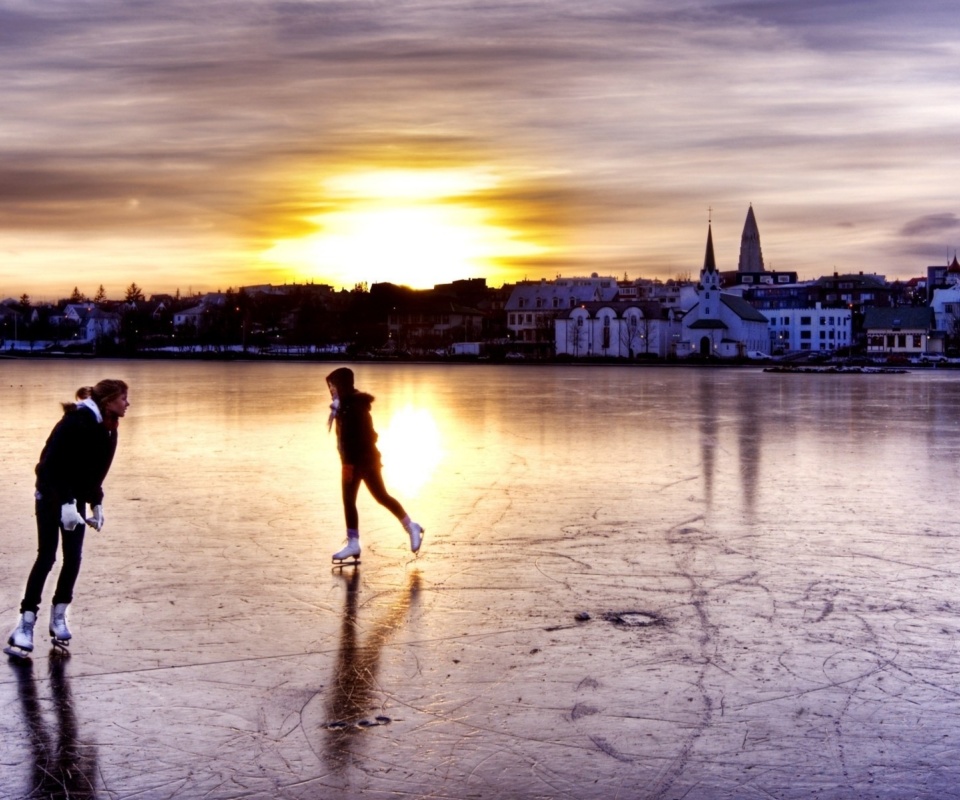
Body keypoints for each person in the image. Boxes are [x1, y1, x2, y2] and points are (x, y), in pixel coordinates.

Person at [6, 380, 129, 656]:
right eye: (123, 398)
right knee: (47, 557)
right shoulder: (75, 422)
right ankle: (24, 625)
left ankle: (59, 615)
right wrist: (64, 503)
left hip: (75, 500)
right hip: (50, 496)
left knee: (73, 557)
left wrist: (96, 503)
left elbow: (94, 472)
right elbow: (47, 468)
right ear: (108, 400)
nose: (127, 404)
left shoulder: (109, 429)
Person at [326, 367, 423, 562]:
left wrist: (350, 463)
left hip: (363, 462)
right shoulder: (343, 406)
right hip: (356, 461)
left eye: (333, 386)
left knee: (379, 497)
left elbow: (366, 436)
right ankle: (354, 543)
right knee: (353, 500)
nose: (331, 391)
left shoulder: (353, 407)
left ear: (342, 386)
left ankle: (410, 526)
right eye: (330, 388)